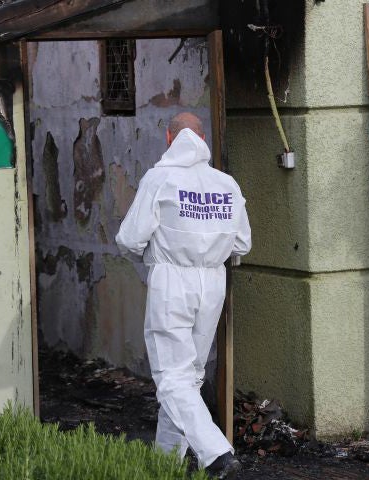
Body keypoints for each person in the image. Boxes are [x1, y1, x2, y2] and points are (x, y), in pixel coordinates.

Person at [115, 112, 251, 479]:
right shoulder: (226, 184)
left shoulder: (161, 178)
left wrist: (154, 256)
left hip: (172, 281)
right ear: (203, 138)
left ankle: (217, 452)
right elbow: (242, 243)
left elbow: (129, 238)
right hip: (213, 283)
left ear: (168, 139)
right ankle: (165, 466)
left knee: (172, 377)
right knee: (187, 377)